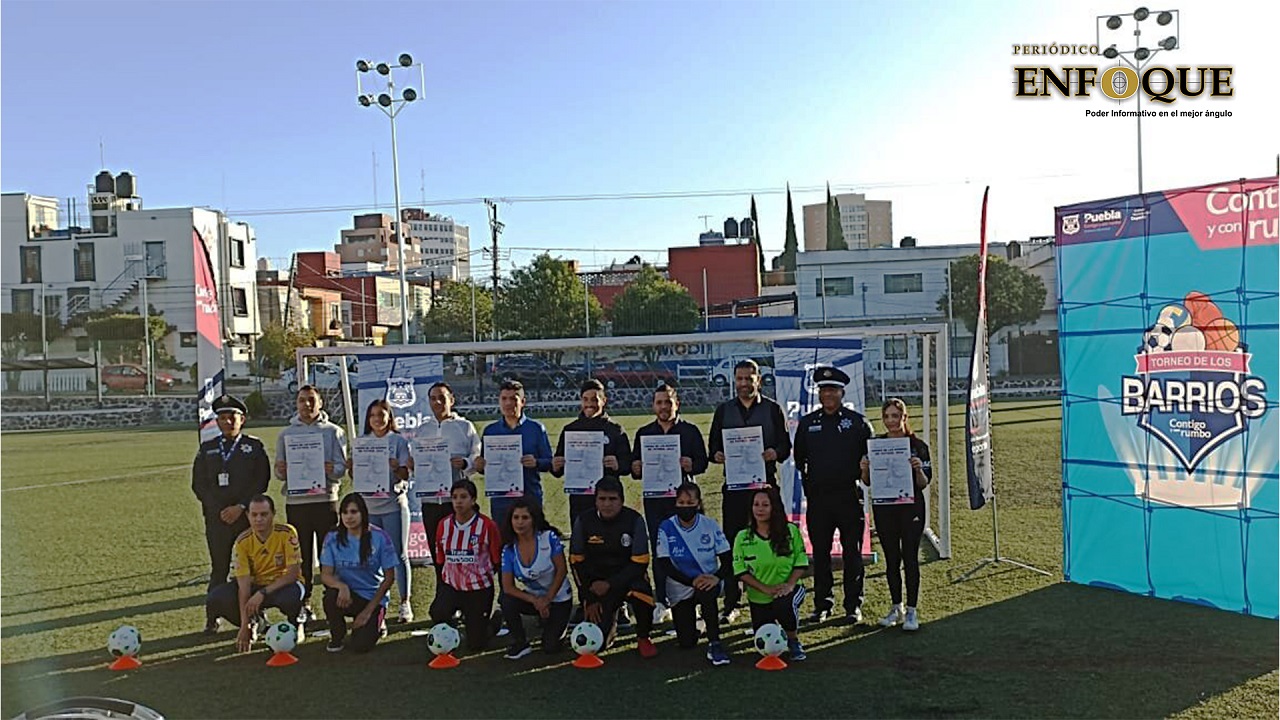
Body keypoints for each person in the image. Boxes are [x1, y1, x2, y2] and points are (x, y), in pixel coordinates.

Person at [708, 359, 791, 624]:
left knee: (772, 543)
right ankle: (732, 603)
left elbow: (786, 446)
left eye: (749, 378)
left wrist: (774, 452)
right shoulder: (723, 411)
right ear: (734, 381)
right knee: (734, 546)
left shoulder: (772, 409)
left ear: (759, 379)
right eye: (740, 379)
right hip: (734, 490)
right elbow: (712, 448)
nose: (744, 383)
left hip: (764, 488)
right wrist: (718, 455)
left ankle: (775, 597)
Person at [792, 366, 875, 624]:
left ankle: (853, 605)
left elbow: (869, 458)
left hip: (849, 497)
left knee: (852, 552)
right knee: (821, 553)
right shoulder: (807, 424)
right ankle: (823, 604)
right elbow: (799, 459)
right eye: (823, 390)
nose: (827, 394)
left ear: (842, 392)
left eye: (833, 390)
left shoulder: (858, 423)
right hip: (818, 500)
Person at [191, 394, 270, 634]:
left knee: (251, 569)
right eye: (222, 417)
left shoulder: (253, 447)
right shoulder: (208, 449)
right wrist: (220, 510)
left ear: (242, 419)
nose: (227, 422)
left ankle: (256, 615)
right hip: (218, 520)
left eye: (232, 417)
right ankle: (212, 618)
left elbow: (261, 480)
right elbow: (199, 485)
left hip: (247, 519)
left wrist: (241, 507)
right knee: (219, 568)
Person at [631, 382, 708, 625]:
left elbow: (703, 463)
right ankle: (662, 601)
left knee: (689, 550)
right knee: (660, 550)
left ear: (677, 404)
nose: (664, 407)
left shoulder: (691, 431)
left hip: (684, 502)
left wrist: (691, 465)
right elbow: (634, 468)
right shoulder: (644, 433)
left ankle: (692, 602)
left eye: (668, 402)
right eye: (659, 402)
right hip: (655, 501)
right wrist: (636, 468)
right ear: (654, 406)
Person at [274, 385, 347, 624]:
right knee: (301, 555)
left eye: (311, 400)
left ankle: (332, 600)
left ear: (321, 402)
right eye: (302, 400)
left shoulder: (333, 432)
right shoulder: (286, 435)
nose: (307, 405)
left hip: (325, 500)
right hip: (297, 502)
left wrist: (331, 470)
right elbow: (279, 473)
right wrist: (282, 470)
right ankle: (304, 603)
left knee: (330, 553)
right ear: (296, 404)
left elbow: (341, 469)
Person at [862, 398, 932, 632]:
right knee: (892, 559)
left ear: (904, 417)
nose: (891, 421)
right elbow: (868, 481)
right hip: (884, 509)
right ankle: (896, 607)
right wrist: (864, 467)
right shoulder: (876, 445)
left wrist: (918, 468)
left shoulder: (918, 445)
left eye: (895, 416)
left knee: (910, 557)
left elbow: (924, 483)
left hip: (911, 508)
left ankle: (912, 611)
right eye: (887, 417)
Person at [569, 477, 659, 658]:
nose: (607, 504)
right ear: (595, 500)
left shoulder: (634, 520)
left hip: (627, 581)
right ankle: (610, 626)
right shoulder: (584, 521)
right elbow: (576, 562)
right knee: (598, 645)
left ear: (622, 500)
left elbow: (640, 563)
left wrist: (610, 584)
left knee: (642, 592)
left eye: (612, 499)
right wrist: (589, 596)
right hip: (598, 586)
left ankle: (643, 637)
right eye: (602, 499)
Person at [205, 495, 304, 653]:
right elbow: (243, 587)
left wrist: (262, 593)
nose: (259, 519)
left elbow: (292, 574)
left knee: (292, 596)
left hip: (282, 585)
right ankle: (257, 622)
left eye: (264, 514)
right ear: (248, 516)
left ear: (273, 514)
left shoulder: (287, 533)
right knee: (216, 598)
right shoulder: (242, 542)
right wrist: (245, 626)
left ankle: (296, 622)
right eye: (254, 515)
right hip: (255, 587)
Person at [655, 482, 732, 666]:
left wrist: (716, 577)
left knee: (706, 591)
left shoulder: (710, 525)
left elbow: (728, 560)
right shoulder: (666, 527)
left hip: (708, 582)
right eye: (681, 502)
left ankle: (715, 642)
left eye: (690, 502)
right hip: (680, 586)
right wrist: (691, 580)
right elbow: (664, 564)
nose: (685, 507)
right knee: (687, 643)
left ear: (698, 504)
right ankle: (697, 624)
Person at [732, 487, 809, 662]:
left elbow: (801, 562)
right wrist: (765, 589)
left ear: (774, 507)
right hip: (759, 596)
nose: (760, 509)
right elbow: (740, 571)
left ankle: (793, 640)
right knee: (765, 637)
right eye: (756, 505)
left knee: (784, 605)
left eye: (765, 505)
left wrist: (789, 585)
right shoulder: (742, 537)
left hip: (789, 589)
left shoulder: (790, 531)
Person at [355, 399, 414, 624]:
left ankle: (405, 602)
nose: (377, 419)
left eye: (381, 414)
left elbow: (406, 474)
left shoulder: (397, 441)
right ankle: (378, 602)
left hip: (393, 505)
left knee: (398, 555)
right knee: (373, 557)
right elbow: (357, 478)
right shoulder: (362, 442)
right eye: (372, 415)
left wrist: (395, 468)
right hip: (369, 509)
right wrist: (354, 468)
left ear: (389, 417)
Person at [416, 382, 482, 581]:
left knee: (461, 551)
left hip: (456, 503)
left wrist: (464, 463)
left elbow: (477, 457)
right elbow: (416, 463)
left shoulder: (464, 426)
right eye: (433, 398)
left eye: (441, 397)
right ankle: (443, 592)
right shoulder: (423, 429)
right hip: (430, 501)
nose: (437, 402)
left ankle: (464, 591)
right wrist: (413, 463)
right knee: (438, 551)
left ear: (451, 400)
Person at [319, 493, 399, 653]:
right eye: (345, 512)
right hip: (347, 596)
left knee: (361, 646)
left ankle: (375, 622)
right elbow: (325, 575)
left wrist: (367, 612)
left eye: (354, 512)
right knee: (330, 596)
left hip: (372, 598)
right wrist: (341, 586)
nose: (349, 517)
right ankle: (337, 635)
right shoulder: (332, 537)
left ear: (363, 513)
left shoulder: (380, 537)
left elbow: (389, 578)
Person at [430, 479, 503, 652]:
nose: (458, 501)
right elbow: (440, 558)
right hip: (452, 586)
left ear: (473, 499)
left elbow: (497, 559)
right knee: (437, 612)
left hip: (478, 589)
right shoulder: (443, 525)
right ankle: (452, 632)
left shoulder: (487, 526)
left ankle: (492, 624)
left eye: (463, 497)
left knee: (477, 644)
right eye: (454, 497)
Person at [551, 379, 632, 531]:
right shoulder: (570, 430)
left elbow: (628, 464)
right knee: (581, 539)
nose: (590, 404)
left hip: (608, 498)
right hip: (580, 498)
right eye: (586, 399)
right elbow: (558, 469)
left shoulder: (615, 430)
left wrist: (618, 464)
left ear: (604, 400)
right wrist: (556, 465)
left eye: (595, 399)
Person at [498, 497, 573, 659]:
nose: (520, 522)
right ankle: (520, 642)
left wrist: (547, 599)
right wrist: (535, 600)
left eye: (525, 517)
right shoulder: (509, 549)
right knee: (506, 599)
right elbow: (508, 587)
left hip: (559, 598)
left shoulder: (549, 537)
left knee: (551, 647)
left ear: (534, 519)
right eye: (515, 517)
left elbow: (562, 570)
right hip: (535, 600)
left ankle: (556, 625)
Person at [474, 380, 553, 527]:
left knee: (532, 542)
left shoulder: (536, 429)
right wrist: (480, 466)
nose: (508, 403)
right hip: (501, 500)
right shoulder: (490, 431)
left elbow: (549, 462)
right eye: (504, 398)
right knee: (503, 543)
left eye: (513, 399)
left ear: (523, 402)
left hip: (529, 497)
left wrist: (536, 462)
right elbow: (486, 467)